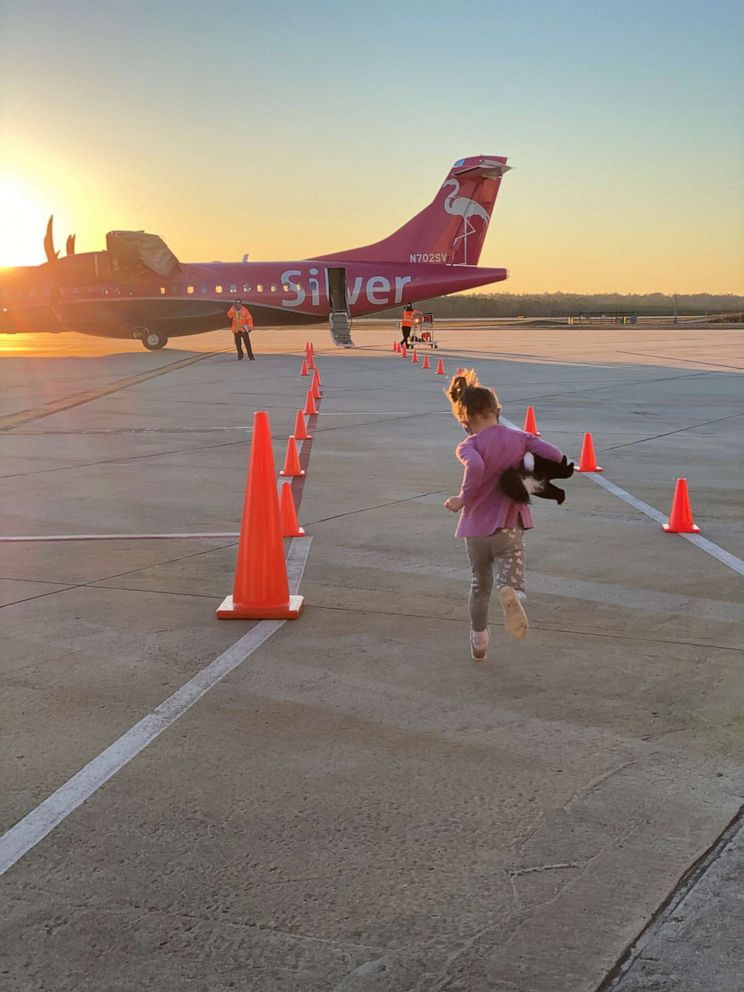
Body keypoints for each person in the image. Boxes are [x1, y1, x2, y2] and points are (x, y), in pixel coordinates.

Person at [443, 370, 565, 661]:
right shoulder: (520, 438)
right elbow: (556, 454)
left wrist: (463, 498)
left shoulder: (468, 445)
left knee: (479, 585)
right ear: (497, 411)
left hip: (474, 529)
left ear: (465, 423)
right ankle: (514, 595)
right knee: (511, 576)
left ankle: (479, 639)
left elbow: (474, 468)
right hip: (508, 526)